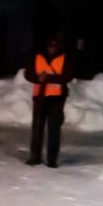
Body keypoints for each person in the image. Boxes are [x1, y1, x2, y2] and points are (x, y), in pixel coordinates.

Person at [23, 35, 74, 168]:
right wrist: (38, 78)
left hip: (57, 99)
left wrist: (49, 78)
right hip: (40, 97)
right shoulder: (37, 57)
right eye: (50, 46)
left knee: (54, 129)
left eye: (55, 46)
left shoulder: (64, 58)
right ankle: (35, 156)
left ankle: (52, 159)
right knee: (37, 128)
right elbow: (28, 74)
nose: (52, 49)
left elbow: (67, 77)